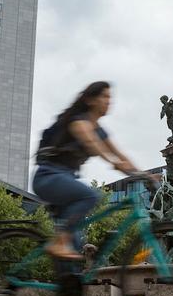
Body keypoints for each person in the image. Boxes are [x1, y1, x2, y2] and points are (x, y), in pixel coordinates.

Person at [33, 81, 148, 262]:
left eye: (110, 97)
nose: (109, 101)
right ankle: (59, 241)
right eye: (105, 96)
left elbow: (121, 154)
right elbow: (91, 144)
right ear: (90, 100)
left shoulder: (100, 130)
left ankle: (67, 285)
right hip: (48, 177)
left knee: (75, 248)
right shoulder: (78, 121)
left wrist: (144, 174)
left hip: (64, 181)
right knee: (90, 196)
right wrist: (113, 163)